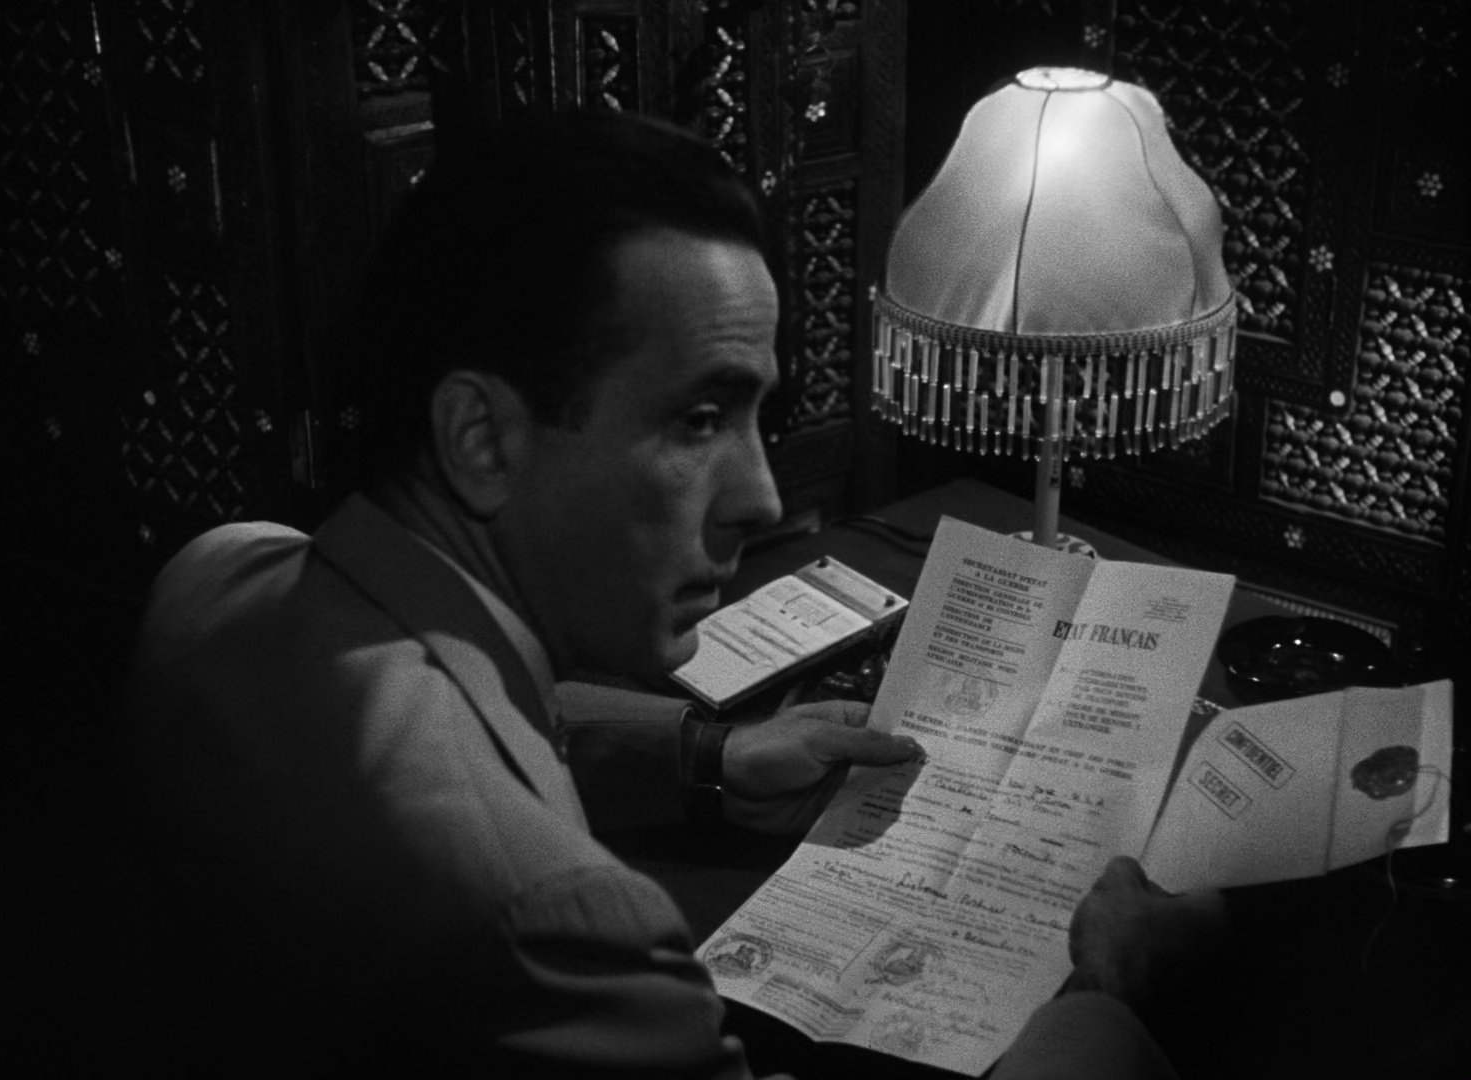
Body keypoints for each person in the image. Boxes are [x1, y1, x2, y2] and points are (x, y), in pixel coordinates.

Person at [124, 108, 1223, 1076]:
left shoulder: (219, 573)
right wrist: (1106, 993)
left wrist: (710, 757)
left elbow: (469, 705)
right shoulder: (564, 920)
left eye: (756, 419)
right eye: (698, 419)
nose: (758, 496)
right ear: (481, 438)